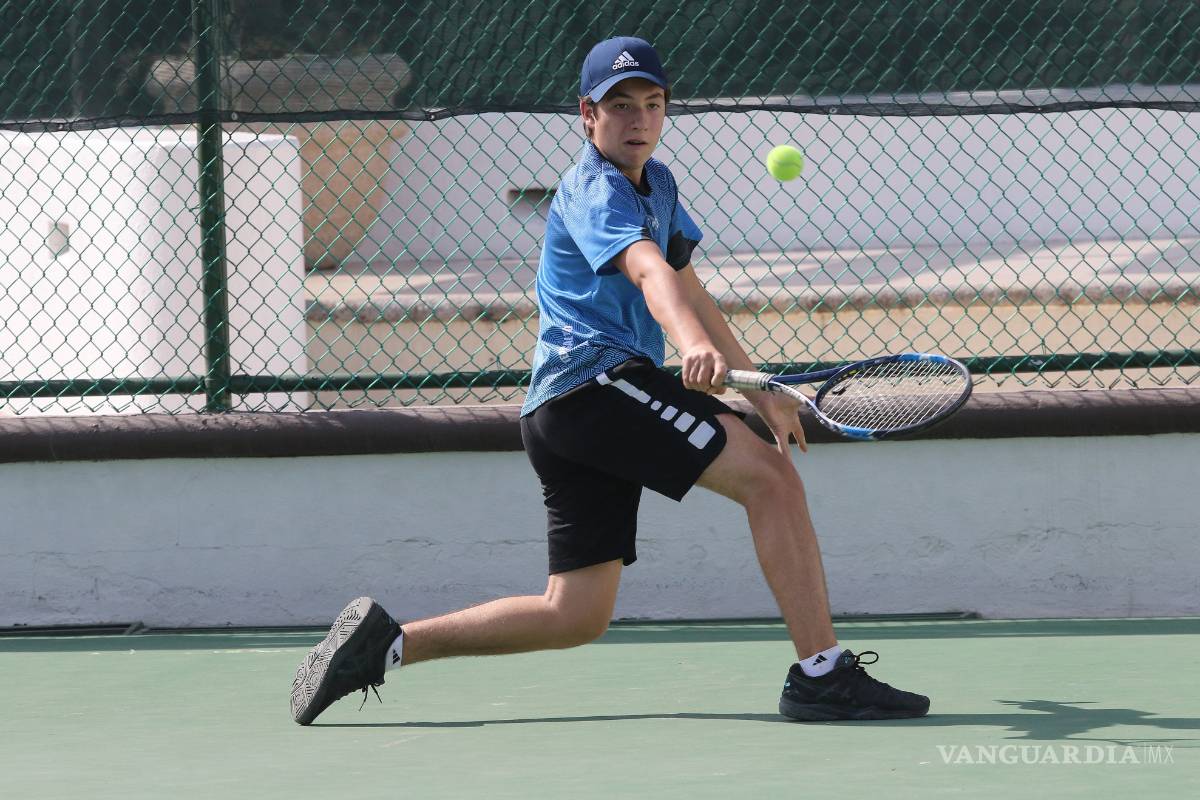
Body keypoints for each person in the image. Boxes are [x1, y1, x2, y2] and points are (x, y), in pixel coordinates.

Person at [290, 36, 929, 726]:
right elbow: (650, 272)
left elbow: (687, 281)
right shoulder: (595, 190)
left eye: (653, 104)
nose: (639, 120)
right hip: (593, 388)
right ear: (587, 115)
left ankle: (386, 646)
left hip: (565, 413)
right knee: (771, 481)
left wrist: (757, 387)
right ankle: (821, 674)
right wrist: (687, 345)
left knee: (574, 614)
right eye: (621, 106)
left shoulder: (659, 183)